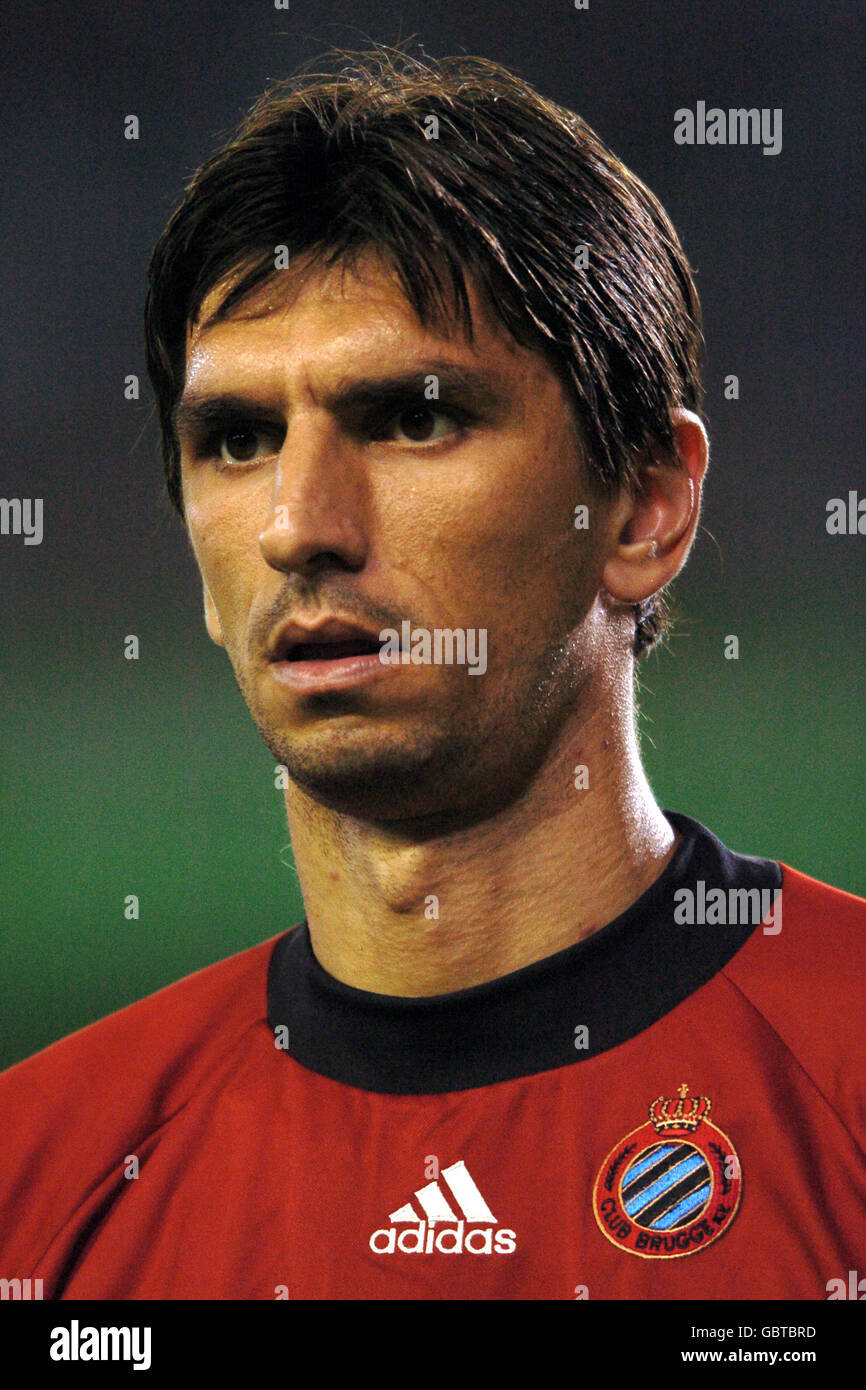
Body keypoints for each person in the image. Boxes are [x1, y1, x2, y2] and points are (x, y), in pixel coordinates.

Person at [1, 48, 863, 1302]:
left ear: (643, 510)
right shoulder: (41, 1180)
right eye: (237, 439)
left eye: (412, 418)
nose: (298, 524)